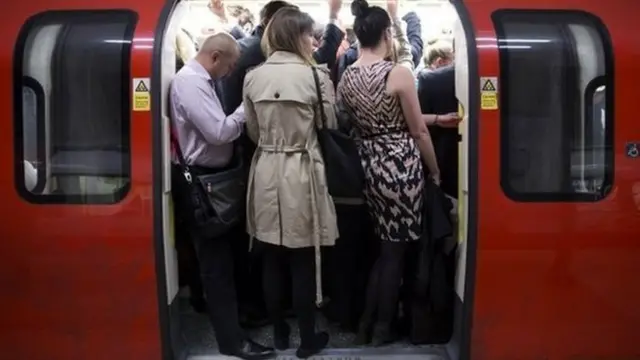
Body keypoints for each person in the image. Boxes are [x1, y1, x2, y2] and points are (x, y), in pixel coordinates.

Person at [336, 0, 441, 346]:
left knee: (385, 249)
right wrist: (435, 171)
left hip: (370, 166)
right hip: (401, 168)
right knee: (395, 252)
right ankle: (381, 327)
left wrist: (436, 119)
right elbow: (416, 131)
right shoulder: (398, 72)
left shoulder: (347, 76)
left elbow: (356, 122)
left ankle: (368, 323)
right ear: (386, 34)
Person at [169, 33, 274, 360]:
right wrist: (248, 106)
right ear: (214, 56)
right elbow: (219, 132)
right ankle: (232, 341)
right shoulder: (190, 84)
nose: (229, 73)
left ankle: (237, 322)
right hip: (203, 183)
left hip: (213, 179)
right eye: (228, 65)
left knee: (227, 259)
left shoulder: (200, 80)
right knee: (216, 267)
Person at [242, 6, 340, 359]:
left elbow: (252, 130)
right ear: (297, 36)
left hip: (266, 166)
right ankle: (307, 338)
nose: (313, 41)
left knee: (270, 254)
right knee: (302, 256)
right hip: (302, 168)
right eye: (309, 34)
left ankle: (280, 333)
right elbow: (327, 123)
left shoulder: (253, 76)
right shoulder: (316, 76)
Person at [218, 0, 344, 116]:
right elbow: (322, 58)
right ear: (274, 24)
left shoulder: (242, 49)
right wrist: (333, 15)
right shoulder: (267, 53)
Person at [417, 63, 460, 198]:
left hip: (445, 164)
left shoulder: (431, 80)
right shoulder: (511, 77)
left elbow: (419, 129)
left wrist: (433, 171)